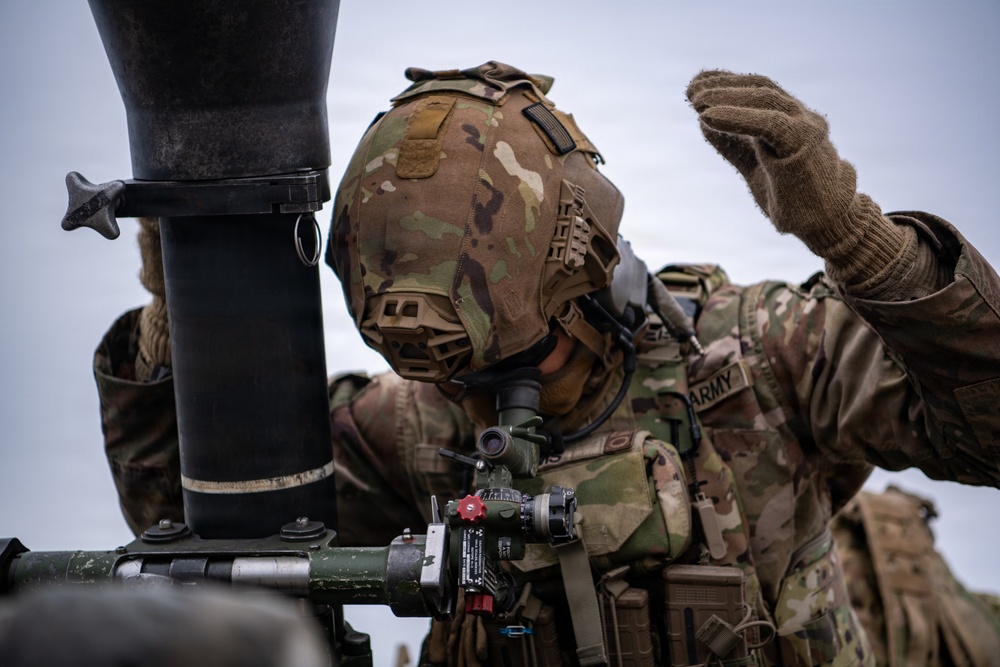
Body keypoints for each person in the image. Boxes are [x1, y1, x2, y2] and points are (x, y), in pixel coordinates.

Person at [96, 62, 1000, 666]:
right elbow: (203, 536)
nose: (456, 384)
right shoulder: (415, 420)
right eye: (445, 368)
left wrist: (856, 240)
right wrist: (186, 319)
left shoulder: (753, 356)